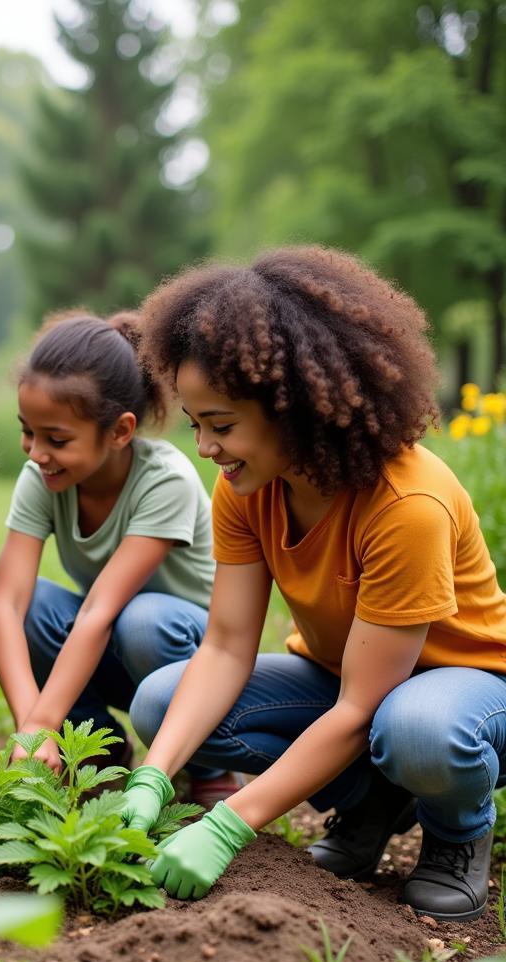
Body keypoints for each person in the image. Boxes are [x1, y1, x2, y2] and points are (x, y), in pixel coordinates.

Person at [122, 246, 506, 922]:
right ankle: (371, 802)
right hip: (349, 683)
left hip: (466, 690)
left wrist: (228, 823)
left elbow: (363, 707)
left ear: (295, 411)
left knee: (414, 729)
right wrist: (155, 773)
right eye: (195, 425)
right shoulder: (246, 485)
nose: (205, 449)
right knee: (163, 702)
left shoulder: (406, 505)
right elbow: (224, 646)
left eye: (222, 426)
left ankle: (456, 832)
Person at [0, 311, 234, 801]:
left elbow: (102, 609)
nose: (35, 452)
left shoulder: (165, 479)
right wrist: (31, 725)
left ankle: (208, 764)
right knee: (33, 607)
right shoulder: (42, 476)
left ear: (120, 431)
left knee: (143, 620)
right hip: (115, 648)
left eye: (56, 439)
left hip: (191, 653)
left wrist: (42, 718)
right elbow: (3, 608)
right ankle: (96, 749)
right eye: (27, 432)